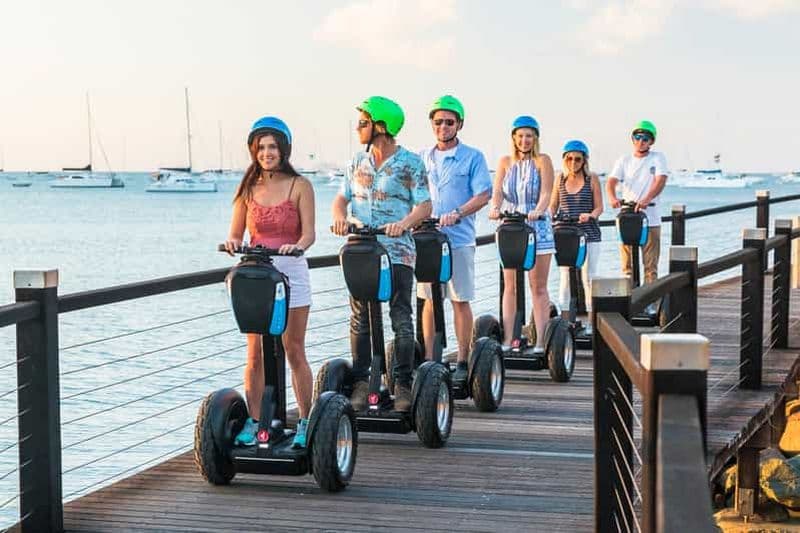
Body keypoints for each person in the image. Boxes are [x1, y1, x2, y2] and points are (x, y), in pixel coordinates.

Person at [331, 96, 432, 412]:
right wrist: (340, 218)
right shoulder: (356, 162)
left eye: (363, 122)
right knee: (360, 317)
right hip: (361, 250)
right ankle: (362, 382)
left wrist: (404, 224)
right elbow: (341, 198)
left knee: (400, 315)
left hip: (397, 251)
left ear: (381, 126)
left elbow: (425, 205)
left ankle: (401, 383)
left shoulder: (410, 163)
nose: (358, 128)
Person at [224, 116, 315, 448]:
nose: (267, 153)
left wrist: (297, 246)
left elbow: (309, 234)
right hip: (257, 276)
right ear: (254, 150)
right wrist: (233, 243)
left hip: (291, 272)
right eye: (261, 147)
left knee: (294, 349)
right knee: (255, 354)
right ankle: (255, 422)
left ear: (283, 149)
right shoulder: (247, 188)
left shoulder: (300, 185)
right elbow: (236, 233)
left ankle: (305, 421)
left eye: (273, 146)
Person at [417, 95, 491, 384]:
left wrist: (458, 213)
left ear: (459, 124)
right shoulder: (422, 157)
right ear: (432, 124)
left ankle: (462, 358)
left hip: (458, 239)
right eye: (438, 122)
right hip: (426, 239)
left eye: (449, 122)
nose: (443, 127)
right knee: (429, 300)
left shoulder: (473, 157)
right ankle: (430, 360)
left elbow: (483, 194)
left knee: (459, 299)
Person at [488, 115, 555, 353]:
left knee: (538, 286)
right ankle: (509, 340)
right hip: (511, 226)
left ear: (535, 138)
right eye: (520, 136)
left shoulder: (543, 160)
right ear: (513, 138)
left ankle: (541, 341)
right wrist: (495, 208)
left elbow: (546, 193)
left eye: (529, 136)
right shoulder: (505, 162)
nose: (524, 140)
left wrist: (538, 210)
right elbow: (497, 192)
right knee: (510, 286)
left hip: (537, 226)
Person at [605, 120, 669, 288]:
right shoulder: (624, 160)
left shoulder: (657, 158)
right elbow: (611, 181)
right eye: (637, 137)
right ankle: (630, 297)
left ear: (651, 141)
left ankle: (650, 300)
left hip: (651, 217)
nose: (641, 141)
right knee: (627, 267)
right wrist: (612, 197)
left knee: (650, 266)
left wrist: (647, 199)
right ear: (632, 139)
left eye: (645, 138)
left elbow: (660, 180)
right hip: (628, 217)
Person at [548, 140, 603, 331]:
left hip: (589, 234)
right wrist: (548, 218)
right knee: (565, 277)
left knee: (588, 277)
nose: (573, 163)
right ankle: (565, 323)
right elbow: (553, 206)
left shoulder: (592, 178)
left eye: (577, 159)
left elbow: (599, 207)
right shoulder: (560, 179)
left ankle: (591, 323)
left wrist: (590, 215)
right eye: (569, 158)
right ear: (564, 159)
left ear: (584, 160)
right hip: (566, 235)